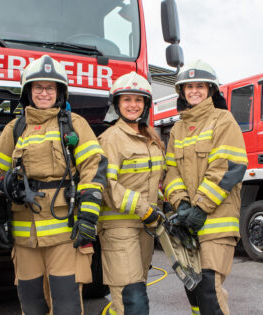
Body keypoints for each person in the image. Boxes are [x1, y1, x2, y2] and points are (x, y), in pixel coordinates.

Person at [0, 55, 107, 315]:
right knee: (31, 306)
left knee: (66, 307)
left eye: (50, 87)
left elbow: (94, 169)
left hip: (65, 236)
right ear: (28, 92)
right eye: (38, 87)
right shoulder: (15, 129)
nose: (44, 93)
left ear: (59, 92)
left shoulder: (75, 125)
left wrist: (88, 218)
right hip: (24, 238)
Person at [164, 60, 248, 314]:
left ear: (211, 90)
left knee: (210, 288)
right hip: (189, 220)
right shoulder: (178, 128)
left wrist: (200, 207)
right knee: (195, 292)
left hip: (217, 220)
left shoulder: (223, 120)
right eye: (189, 87)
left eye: (200, 86)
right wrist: (182, 204)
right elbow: (171, 173)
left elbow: (228, 167)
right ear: (182, 92)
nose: (194, 91)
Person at [97, 72, 165, 315]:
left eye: (138, 100)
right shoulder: (110, 139)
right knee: (131, 299)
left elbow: (160, 179)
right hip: (119, 228)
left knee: (135, 293)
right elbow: (107, 185)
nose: (133, 105)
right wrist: (143, 208)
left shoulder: (151, 140)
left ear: (145, 104)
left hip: (145, 228)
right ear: (117, 104)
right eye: (127, 100)